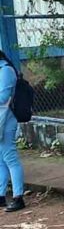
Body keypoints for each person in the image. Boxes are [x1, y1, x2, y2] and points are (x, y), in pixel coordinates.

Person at [0, 50, 24, 212]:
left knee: (10, 158)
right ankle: (1, 195)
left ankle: (18, 197)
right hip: (2, 119)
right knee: (1, 160)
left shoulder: (6, 70)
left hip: (6, 121)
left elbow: (3, 97)